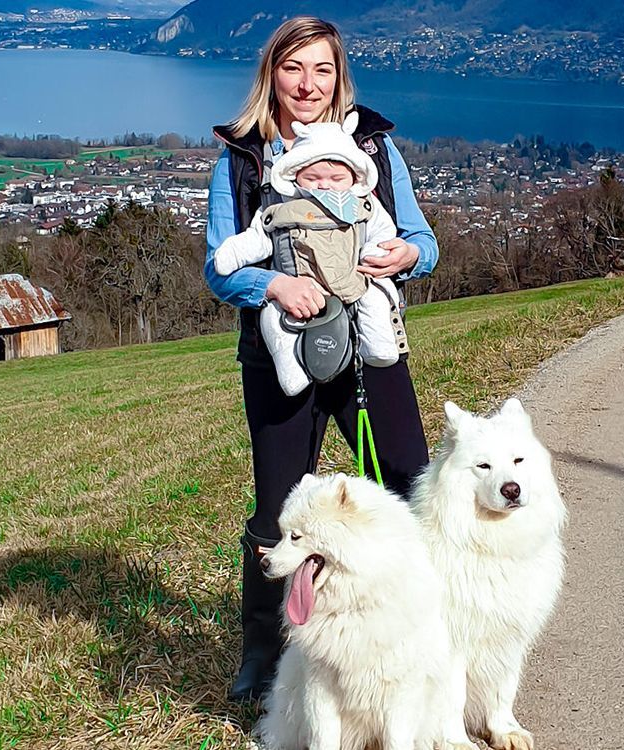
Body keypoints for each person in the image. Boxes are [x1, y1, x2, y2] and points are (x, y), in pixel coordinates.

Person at [204, 16, 439, 703]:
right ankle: (266, 652)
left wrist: (405, 255)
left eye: (322, 70)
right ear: (270, 74)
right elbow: (220, 268)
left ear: (340, 79)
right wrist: (274, 283)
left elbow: (423, 241)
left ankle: (417, 635)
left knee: (407, 482)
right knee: (281, 508)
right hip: (280, 347)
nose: (307, 85)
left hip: (370, 348)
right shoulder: (242, 157)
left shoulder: (371, 147)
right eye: (293, 68)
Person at [211, 116, 409, 396]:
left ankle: (378, 347)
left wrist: (390, 255)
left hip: (354, 282)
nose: (324, 186)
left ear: (355, 176)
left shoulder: (363, 206)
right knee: (274, 316)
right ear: (295, 175)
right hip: (299, 294)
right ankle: (291, 366)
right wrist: (250, 267)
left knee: (375, 297)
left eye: (336, 178)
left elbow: (385, 233)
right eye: (312, 178)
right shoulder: (283, 208)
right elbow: (258, 238)